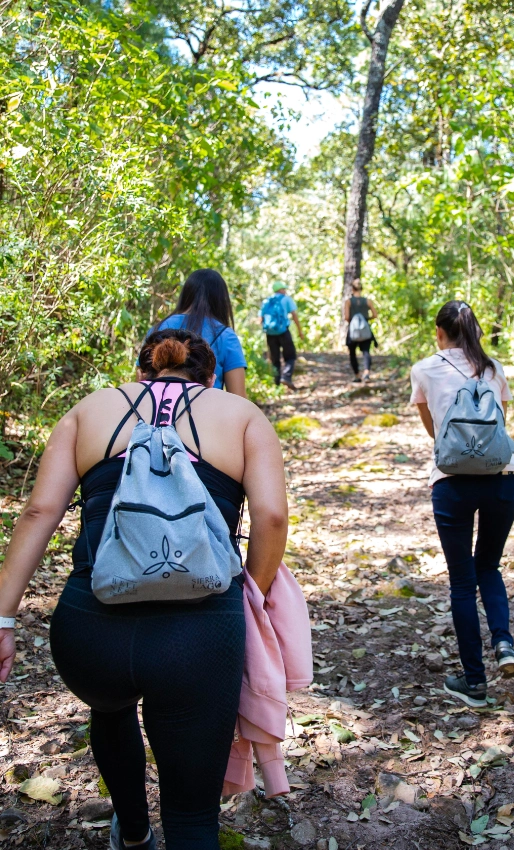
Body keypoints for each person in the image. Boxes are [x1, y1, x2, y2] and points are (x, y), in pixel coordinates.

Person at [0, 329, 288, 849]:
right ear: (210, 378)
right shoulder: (242, 416)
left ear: (141, 373)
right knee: (193, 818)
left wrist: (4, 619)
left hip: (91, 631)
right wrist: (255, 595)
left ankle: (132, 832)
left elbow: (39, 511)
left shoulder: (89, 410)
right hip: (197, 638)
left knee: (109, 708)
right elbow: (271, 516)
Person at [410, 300, 514, 708]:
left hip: (452, 482)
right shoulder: (494, 369)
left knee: (462, 582)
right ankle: (505, 644)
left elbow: (435, 433)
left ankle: (475, 682)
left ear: (439, 333)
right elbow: (501, 425)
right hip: (504, 477)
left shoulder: (423, 369)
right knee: (489, 565)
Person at [156, 268, 247, 397]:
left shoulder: (159, 328)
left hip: (160, 412)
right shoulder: (225, 336)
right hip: (208, 413)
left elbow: (142, 382)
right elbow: (239, 399)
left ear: (186, 294)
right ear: (221, 300)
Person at [260, 282, 304, 391]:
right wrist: (300, 330)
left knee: (275, 359)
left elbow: (260, 319)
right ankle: (286, 377)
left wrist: (266, 331)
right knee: (291, 356)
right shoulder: (286, 299)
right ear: (281, 290)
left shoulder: (267, 301)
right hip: (283, 332)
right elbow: (294, 315)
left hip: (270, 333)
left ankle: (277, 384)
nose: (285, 291)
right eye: (284, 289)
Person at [343, 279, 377, 382]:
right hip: (365, 330)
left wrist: (353, 321)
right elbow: (375, 315)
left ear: (352, 289)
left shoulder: (348, 302)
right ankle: (366, 373)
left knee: (352, 353)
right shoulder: (367, 301)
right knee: (366, 351)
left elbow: (347, 317)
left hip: (353, 331)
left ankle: (357, 375)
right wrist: (366, 319)